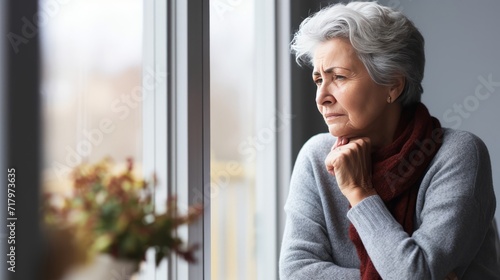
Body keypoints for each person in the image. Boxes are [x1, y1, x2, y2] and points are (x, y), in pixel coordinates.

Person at [279, 2, 500, 279]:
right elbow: (296, 272)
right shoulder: (316, 156)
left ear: (393, 85)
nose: (321, 97)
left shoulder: (458, 154)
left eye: (338, 77)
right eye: (317, 80)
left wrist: (359, 191)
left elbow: (414, 274)